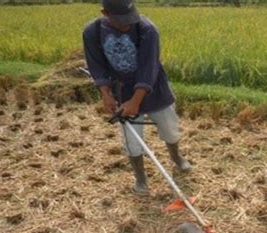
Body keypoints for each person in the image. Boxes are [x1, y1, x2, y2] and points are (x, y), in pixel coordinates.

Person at [82, 0, 191, 194]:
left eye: (129, 18)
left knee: (170, 129)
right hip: (122, 91)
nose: (127, 24)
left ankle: (177, 158)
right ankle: (140, 178)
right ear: (105, 13)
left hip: (155, 88)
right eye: (121, 21)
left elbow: (149, 68)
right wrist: (106, 95)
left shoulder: (147, 29)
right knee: (132, 142)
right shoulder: (93, 32)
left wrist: (136, 101)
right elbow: (96, 66)